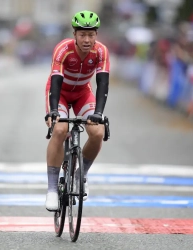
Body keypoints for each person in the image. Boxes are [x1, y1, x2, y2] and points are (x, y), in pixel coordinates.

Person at [44, 10, 110, 211]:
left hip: (83, 93)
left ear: (96, 35)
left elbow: (102, 84)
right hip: (60, 93)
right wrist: (54, 111)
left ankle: (82, 175)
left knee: (98, 132)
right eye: (82, 34)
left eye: (91, 35)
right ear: (74, 34)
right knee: (60, 130)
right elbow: (55, 81)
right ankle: (53, 189)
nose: (87, 39)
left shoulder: (101, 52)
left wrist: (98, 113)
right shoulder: (63, 49)